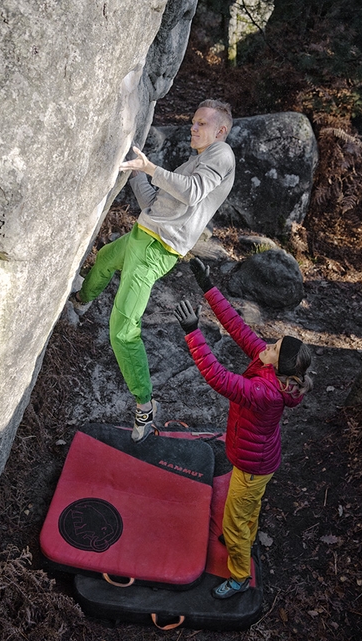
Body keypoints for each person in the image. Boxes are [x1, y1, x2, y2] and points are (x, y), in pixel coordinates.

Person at [70, 100, 236, 443]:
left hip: (155, 251)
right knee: (104, 259)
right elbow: (153, 203)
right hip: (140, 236)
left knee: (123, 331)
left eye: (201, 123)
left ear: (220, 130)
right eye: (193, 121)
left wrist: (150, 168)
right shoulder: (195, 161)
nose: (193, 127)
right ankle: (80, 303)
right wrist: (135, 169)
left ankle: (145, 404)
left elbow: (191, 193)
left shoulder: (221, 154)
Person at [174, 257, 313, 599]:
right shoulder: (270, 368)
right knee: (248, 508)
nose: (266, 345)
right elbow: (237, 326)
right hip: (257, 461)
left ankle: (238, 576)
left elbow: (219, 379)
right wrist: (208, 286)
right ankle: (245, 538)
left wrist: (193, 333)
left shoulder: (266, 393)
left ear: (277, 366)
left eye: (273, 348)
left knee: (233, 521)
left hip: (252, 467)